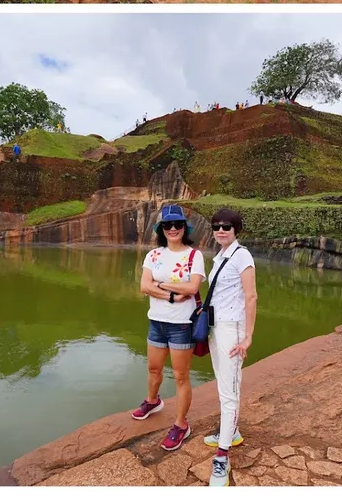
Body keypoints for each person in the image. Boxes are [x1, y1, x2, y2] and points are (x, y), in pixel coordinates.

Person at [132, 205, 206, 453]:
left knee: (181, 376)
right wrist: (173, 294)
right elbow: (144, 286)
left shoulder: (194, 256)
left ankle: (181, 425)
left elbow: (193, 288)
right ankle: (153, 401)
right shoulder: (153, 255)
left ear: (185, 227)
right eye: (167, 225)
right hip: (156, 321)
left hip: (182, 325)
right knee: (153, 368)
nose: (173, 229)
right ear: (161, 229)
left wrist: (160, 284)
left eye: (177, 224)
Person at [204, 208, 257, 487]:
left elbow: (251, 296)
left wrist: (247, 337)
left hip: (232, 330)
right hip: (216, 328)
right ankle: (231, 432)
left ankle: (223, 457)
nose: (221, 231)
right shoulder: (220, 257)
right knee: (223, 385)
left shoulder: (242, 255)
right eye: (216, 226)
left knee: (230, 393)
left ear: (236, 229)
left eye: (227, 226)